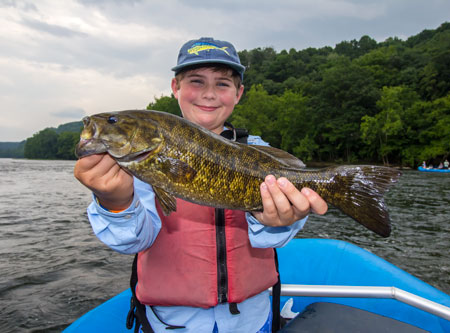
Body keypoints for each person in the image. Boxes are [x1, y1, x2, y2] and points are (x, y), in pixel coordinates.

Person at [74, 37, 328, 333]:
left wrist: (278, 223)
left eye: (222, 84)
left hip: (252, 320)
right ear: (175, 88)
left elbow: (271, 239)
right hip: (171, 324)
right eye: (196, 81)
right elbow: (133, 241)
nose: (209, 94)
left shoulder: (259, 153)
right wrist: (115, 202)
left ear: (239, 93)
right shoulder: (135, 165)